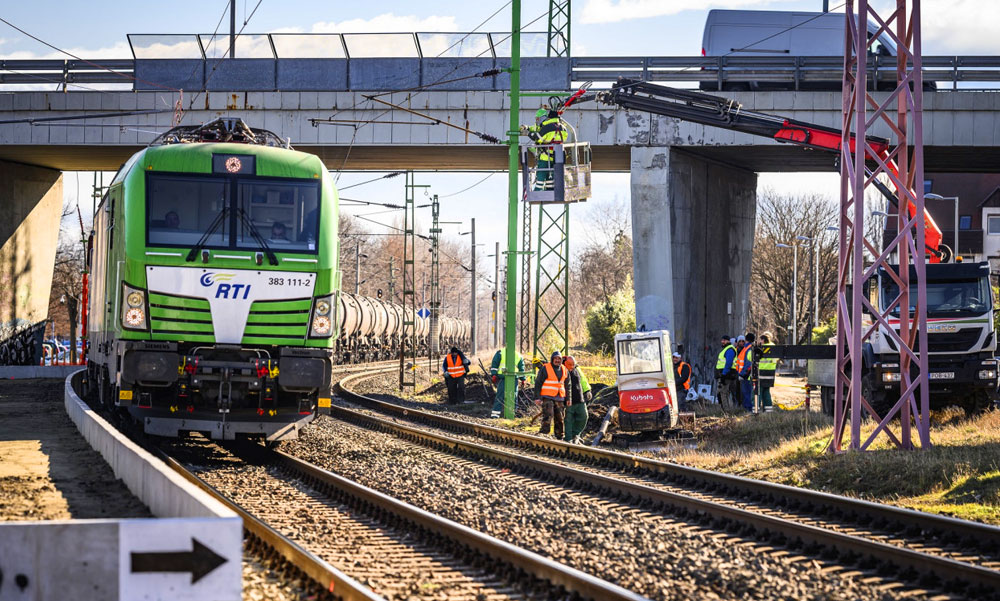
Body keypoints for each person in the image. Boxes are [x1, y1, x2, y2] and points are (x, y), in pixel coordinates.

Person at [520, 107, 568, 191]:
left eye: (537, 118)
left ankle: (537, 191)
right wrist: (528, 127)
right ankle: (550, 190)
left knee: (541, 175)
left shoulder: (547, 128)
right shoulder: (563, 127)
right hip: (558, 157)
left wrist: (527, 133)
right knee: (551, 176)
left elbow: (537, 138)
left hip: (545, 157)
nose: (536, 121)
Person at [534, 351, 568, 438]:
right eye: (555, 358)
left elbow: (568, 385)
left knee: (560, 418)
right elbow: (538, 383)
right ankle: (543, 434)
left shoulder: (564, 369)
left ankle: (560, 436)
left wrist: (568, 399)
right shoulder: (545, 368)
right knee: (548, 415)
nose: (557, 360)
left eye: (559, 359)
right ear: (552, 359)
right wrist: (538, 397)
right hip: (547, 396)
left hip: (560, 397)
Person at [489, 346, 526, 418]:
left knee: (500, 397)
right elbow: (521, 368)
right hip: (511, 379)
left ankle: (496, 415)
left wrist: (494, 374)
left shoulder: (500, 353)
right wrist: (523, 379)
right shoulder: (518, 355)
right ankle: (513, 414)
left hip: (504, 378)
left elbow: (494, 364)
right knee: (513, 396)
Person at [562, 355, 591, 443]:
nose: (572, 366)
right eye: (570, 364)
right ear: (565, 363)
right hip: (568, 400)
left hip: (579, 399)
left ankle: (575, 435)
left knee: (584, 416)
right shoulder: (561, 371)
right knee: (568, 420)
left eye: (573, 364)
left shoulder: (577, 369)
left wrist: (587, 390)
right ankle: (568, 438)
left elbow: (583, 380)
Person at [736, 332, 757, 412]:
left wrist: (742, 374)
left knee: (746, 394)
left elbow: (748, 364)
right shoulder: (748, 348)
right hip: (745, 375)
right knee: (746, 393)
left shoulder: (748, 349)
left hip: (746, 376)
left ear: (746, 339)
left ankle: (748, 410)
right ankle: (747, 409)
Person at [757, 332, 778, 412]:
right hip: (770, 373)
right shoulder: (773, 347)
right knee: (766, 391)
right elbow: (776, 359)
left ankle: (757, 409)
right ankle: (768, 410)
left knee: (759, 391)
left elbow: (750, 358)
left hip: (761, 372)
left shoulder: (760, 348)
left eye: (760, 340)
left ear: (763, 339)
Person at [715, 335, 737, 408]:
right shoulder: (726, 349)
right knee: (720, 393)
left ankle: (726, 412)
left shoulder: (730, 350)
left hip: (726, 375)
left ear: (728, 341)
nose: (722, 342)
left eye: (724, 340)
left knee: (723, 393)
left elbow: (728, 363)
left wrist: (724, 375)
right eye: (722, 340)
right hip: (724, 374)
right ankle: (724, 410)